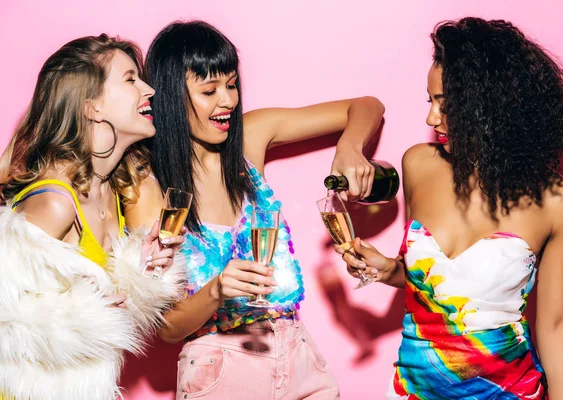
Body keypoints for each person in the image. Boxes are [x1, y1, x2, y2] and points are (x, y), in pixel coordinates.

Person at [126, 20, 384, 399]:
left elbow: (367, 106)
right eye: (209, 90)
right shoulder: (149, 189)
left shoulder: (250, 138)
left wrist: (350, 147)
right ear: (170, 97)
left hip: (297, 355)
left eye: (231, 85)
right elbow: (166, 328)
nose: (227, 101)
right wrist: (216, 291)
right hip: (221, 370)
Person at [337, 17, 563, 400]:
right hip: (412, 390)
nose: (431, 118)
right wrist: (388, 270)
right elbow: (433, 284)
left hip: (506, 392)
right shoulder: (419, 164)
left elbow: (554, 323)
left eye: (446, 105)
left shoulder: (558, 199)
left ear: (492, 107)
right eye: (430, 100)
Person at [0, 34, 187, 400]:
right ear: (93, 107)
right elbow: (8, 318)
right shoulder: (55, 200)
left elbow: (99, 299)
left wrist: (141, 270)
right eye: (131, 79)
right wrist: (87, 312)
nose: (148, 89)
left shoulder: (109, 191)